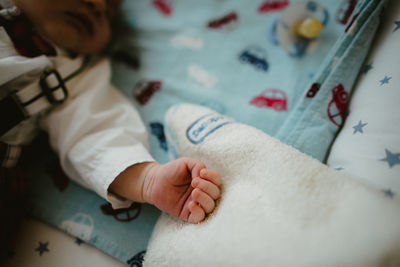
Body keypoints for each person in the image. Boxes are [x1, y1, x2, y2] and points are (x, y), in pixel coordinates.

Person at [0, 0, 221, 229]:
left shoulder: (74, 76)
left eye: (109, 11)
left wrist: (148, 179)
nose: (97, 4)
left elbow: (95, 133)